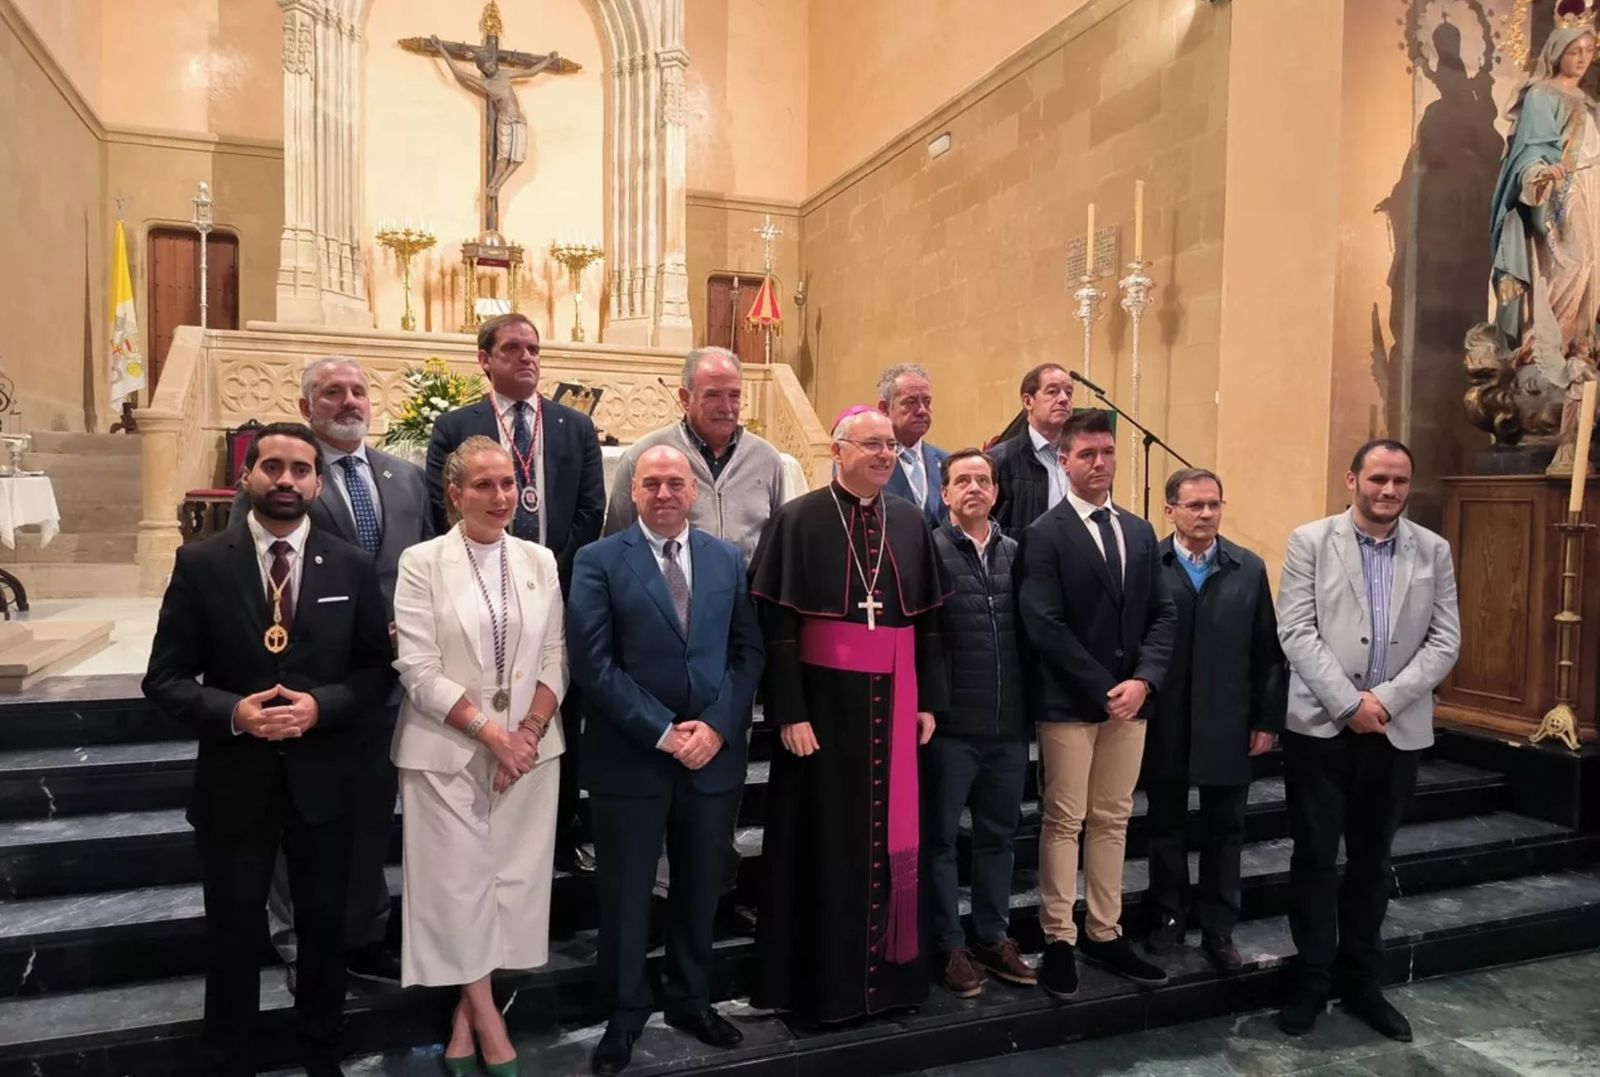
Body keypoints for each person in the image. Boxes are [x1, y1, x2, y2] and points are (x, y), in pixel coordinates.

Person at [143, 422, 393, 1077]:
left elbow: (377, 671)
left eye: (301, 469)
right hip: (235, 777)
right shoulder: (201, 563)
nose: (286, 480)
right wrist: (233, 712)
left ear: (318, 481)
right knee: (230, 931)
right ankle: (228, 1056)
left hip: (325, 779)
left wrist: (322, 706)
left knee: (323, 928)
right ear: (247, 475)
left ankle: (321, 1047)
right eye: (273, 466)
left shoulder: (351, 564)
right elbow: (163, 677)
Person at [748, 406, 950, 1024]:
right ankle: (822, 989)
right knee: (823, 844)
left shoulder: (912, 522)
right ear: (838, 452)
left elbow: (929, 625)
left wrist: (929, 701)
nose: (886, 455)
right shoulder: (799, 519)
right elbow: (779, 629)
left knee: (893, 842)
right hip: (824, 710)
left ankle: (892, 985)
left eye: (891, 446)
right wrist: (789, 711)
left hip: (895, 704)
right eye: (872, 445)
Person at [235, 357, 433, 987]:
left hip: (388, 675)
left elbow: (427, 563)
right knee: (303, 816)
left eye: (357, 391)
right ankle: (300, 945)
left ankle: (365, 931)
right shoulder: (288, 476)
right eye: (332, 392)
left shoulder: (405, 477)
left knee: (374, 810)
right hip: (304, 677)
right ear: (307, 406)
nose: (349, 402)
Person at [568, 445, 764, 1074]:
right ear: (634, 492)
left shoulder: (725, 559)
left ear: (693, 492)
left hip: (711, 756)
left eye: (674, 482)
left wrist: (716, 726)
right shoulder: (598, 560)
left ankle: (690, 999)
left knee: (701, 886)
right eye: (650, 483)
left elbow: (747, 653)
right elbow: (594, 665)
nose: (663, 493)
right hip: (632, 756)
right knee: (626, 893)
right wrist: (662, 731)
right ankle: (624, 1017)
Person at [391, 435, 568, 1076]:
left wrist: (526, 731)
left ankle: (466, 1021)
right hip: (446, 748)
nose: (500, 498)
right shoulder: (423, 562)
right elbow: (417, 666)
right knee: (456, 889)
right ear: (455, 493)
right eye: (484, 486)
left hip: (531, 750)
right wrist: (491, 735)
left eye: (508, 485)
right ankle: (491, 1024)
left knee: (512, 888)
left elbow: (554, 656)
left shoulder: (539, 559)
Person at [1275, 438, 1460, 1041]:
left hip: (1396, 729)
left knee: (1373, 862)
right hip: (1323, 729)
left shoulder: (1433, 550)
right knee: (1314, 859)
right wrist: (1350, 703)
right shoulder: (1310, 542)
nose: (1389, 491)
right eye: (1378, 478)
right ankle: (1310, 981)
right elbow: (1296, 630)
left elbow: (1444, 641)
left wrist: (1385, 702)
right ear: (1351, 479)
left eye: (1400, 481)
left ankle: (1360, 982)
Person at [426, 312, 605, 874]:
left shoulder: (574, 426)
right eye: (511, 349)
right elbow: (441, 508)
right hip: (476, 589)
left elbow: (590, 509)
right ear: (485, 359)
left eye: (533, 348)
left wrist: (545, 570)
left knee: (559, 705)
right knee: (485, 692)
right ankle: (480, 817)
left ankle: (557, 832)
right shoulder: (457, 426)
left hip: (556, 590)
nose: (526, 358)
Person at [1015, 408, 1175, 998]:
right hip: (1070, 702)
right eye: (1086, 454)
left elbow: (1163, 614)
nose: (1099, 463)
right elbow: (1044, 623)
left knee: (1112, 818)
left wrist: (1143, 682)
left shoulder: (1137, 531)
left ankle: (1104, 931)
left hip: (1131, 703)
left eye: (1107, 452)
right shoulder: (1044, 533)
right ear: (1065, 460)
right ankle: (1058, 936)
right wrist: (1103, 687)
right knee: (1064, 819)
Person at [1142, 468, 1287, 973]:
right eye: (1195, 505)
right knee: (1165, 827)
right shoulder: (1149, 564)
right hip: (1166, 719)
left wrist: (1267, 719)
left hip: (1229, 718)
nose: (1206, 514)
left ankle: (1220, 927)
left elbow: (1268, 651)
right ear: (1170, 510)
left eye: (1214, 505)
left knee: (1226, 829)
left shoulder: (1247, 568)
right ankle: (1167, 916)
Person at [924, 448, 1033, 998]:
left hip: (1009, 727)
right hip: (950, 730)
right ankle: (948, 944)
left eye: (983, 480)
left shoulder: (1019, 554)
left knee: (998, 838)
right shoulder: (929, 551)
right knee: (940, 841)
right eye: (962, 480)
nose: (974, 488)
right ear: (945, 494)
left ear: (995, 492)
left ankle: (992, 936)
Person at [1490, 23, 1600, 470]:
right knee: (1568, 263)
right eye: (1574, 50)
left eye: (1589, 50)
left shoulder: (1589, 102)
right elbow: (1530, 150)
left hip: (1593, 188)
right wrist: (1538, 172)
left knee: (1591, 267)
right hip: (1562, 191)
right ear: (1556, 52)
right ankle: (1546, 347)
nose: (1582, 58)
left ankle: (1580, 349)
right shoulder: (1541, 95)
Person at [604, 346, 787, 568]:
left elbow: (778, 544)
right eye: (713, 395)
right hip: (668, 596)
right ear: (685, 398)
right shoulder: (643, 456)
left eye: (734, 395)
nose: (727, 408)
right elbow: (616, 544)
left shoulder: (766, 459)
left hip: (745, 597)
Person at [990, 363, 1075, 532]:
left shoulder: (1078, 459)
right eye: (1052, 391)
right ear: (1028, 402)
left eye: (1069, 392)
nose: (1064, 399)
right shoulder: (999, 460)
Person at [877, 363, 948, 527]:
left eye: (927, 402)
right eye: (911, 402)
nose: (922, 410)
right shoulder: (870, 462)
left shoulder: (946, 462)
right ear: (884, 408)